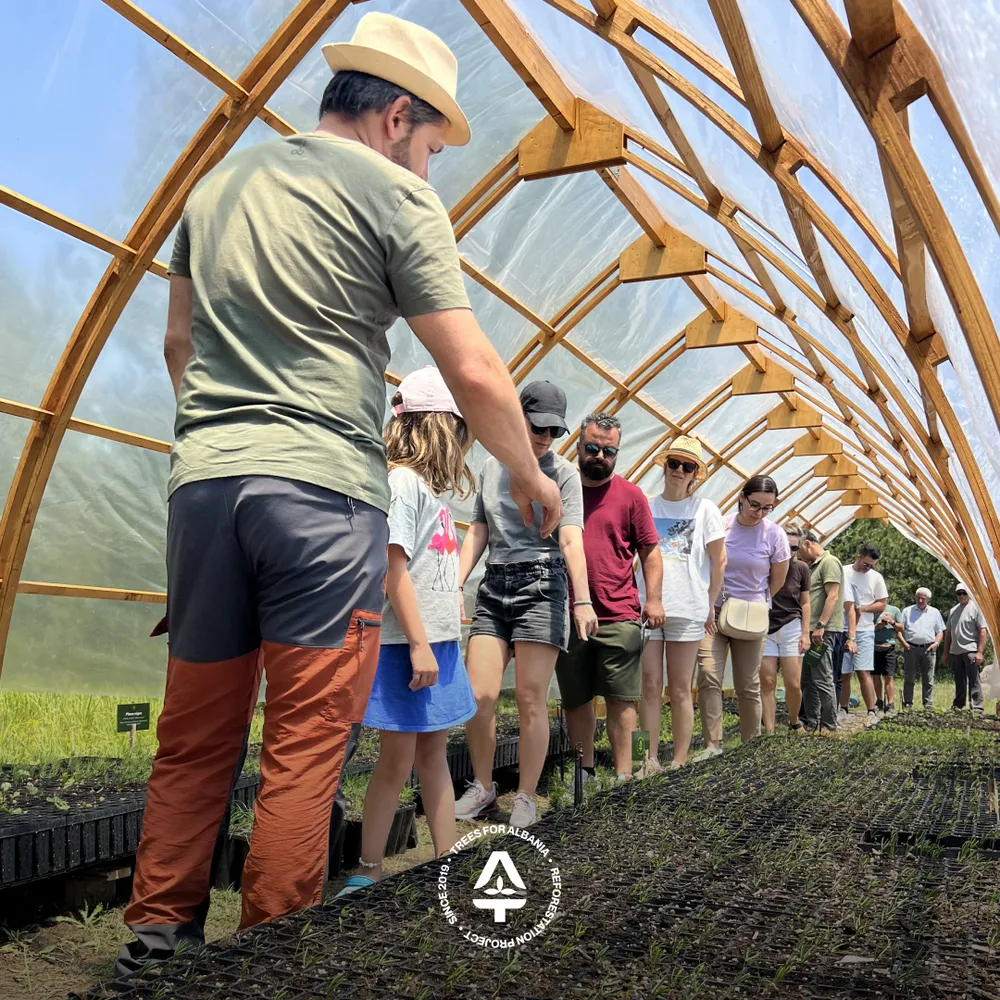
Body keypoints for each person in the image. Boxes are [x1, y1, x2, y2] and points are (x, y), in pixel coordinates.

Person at [116, 14, 564, 977]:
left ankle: (156, 943)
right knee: (305, 740)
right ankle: (267, 960)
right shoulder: (396, 197)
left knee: (195, 731)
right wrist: (528, 476)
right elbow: (472, 369)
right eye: (433, 146)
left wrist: (223, 438)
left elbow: (179, 345)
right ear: (398, 116)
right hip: (319, 497)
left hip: (205, 488)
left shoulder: (217, 184)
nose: (431, 168)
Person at [339, 369, 477, 897]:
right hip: (407, 649)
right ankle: (368, 867)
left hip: (436, 646)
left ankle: (447, 862)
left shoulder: (430, 492)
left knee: (434, 755)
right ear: (440, 426)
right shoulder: (401, 484)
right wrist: (419, 643)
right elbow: (392, 568)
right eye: (460, 430)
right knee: (396, 761)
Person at [457, 381, 597, 828]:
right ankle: (483, 788)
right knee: (478, 696)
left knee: (530, 697)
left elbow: (571, 539)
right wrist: (453, 584)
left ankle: (526, 796)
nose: (545, 437)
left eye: (555, 430)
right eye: (538, 427)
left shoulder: (565, 475)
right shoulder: (490, 466)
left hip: (544, 584)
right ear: (519, 418)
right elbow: (479, 530)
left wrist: (582, 600)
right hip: (495, 585)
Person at [554, 414, 663, 781]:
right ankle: (584, 771)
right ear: (577, 447)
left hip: (619, 613)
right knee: (577, 698)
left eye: (609, 450)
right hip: (569, 613)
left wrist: (653, 599)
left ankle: (625, 775)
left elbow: (650, 552)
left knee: (622, 698)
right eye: (592, 448)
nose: (600, 456)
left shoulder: (631, 496)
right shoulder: (561, 490)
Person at [637, 437, 725, 770]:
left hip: (687, 609)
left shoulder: (705, 510)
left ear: (695, 474)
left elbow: (720, 561)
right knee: (647, 687)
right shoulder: (645, 505)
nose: (679, 470)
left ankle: (678, 761)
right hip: (647, 607)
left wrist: (709, 604)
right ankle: (644, 759)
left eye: (687, 467)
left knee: (680, 689)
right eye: (674, 463)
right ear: (665, 466)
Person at [696, 476, 789, 750]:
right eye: (754, 505)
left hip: (751, 616)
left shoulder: (775, 535)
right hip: (714, 612)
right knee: (708, 676)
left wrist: (756, 600)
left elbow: (777, 580)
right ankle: (713, 745)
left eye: (767, 508)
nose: (759, 513)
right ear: (741, 497)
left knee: (747, 684)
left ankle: (751, 746)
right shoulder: (722, 526)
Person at [760, 525, 810, 734]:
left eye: (794, 548)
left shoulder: (801, 568)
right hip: (766, 627)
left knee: (793, 684)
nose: (790, 551)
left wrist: (805, 633)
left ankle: (794, 720)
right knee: (767, 681)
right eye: (786, 546)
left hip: (791, 627)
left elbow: (805, 603)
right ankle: (769, 731)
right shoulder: (764, 565)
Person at [798, 530, 843, 734]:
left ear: (807, 544)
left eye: (798, 549)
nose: (798, 555)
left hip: (821, 632)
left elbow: (832, 596)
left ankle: (829, 726)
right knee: (808, 679)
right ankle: (811, 721)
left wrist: (821, 625)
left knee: (823, 678)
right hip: (811, 631)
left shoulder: (829, 562)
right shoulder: (812, 566)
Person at [840, 543, 888, 727]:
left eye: (871, 565)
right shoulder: (843, 571)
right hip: (842, 628)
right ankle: (843, 708)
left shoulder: (876, 577)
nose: (868, 568)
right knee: (844, 672)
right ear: (859, 556)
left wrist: (862, 608)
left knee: (863, 671)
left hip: (865, 629)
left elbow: (882, 603)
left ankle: (871, 710)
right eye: (866, 564)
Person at [943, 584, 988, 714]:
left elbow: (983, 631)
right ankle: (958, 704)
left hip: (971, 650)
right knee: (959, 680)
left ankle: (977, 706)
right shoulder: (953, 610)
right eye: (959, 593)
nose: (961, 596)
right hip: (955, 651)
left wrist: (980, 652)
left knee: (974, 679)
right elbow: (948, 633)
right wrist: (946, 653)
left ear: (969, 593)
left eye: (964, 593)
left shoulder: (976, 608)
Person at [898, 587, 945, 712]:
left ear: (928, 599)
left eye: (923, 598)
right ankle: (907, 703)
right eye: (918, 598)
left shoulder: (934, 612)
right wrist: (904, 644)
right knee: (909, 677)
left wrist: (936, 643)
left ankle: (928, 704)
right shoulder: (907, 611)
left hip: (928, 648)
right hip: (911, 648)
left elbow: (940, 631)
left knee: (928, 678)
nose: (920, 600)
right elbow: (899, 630)